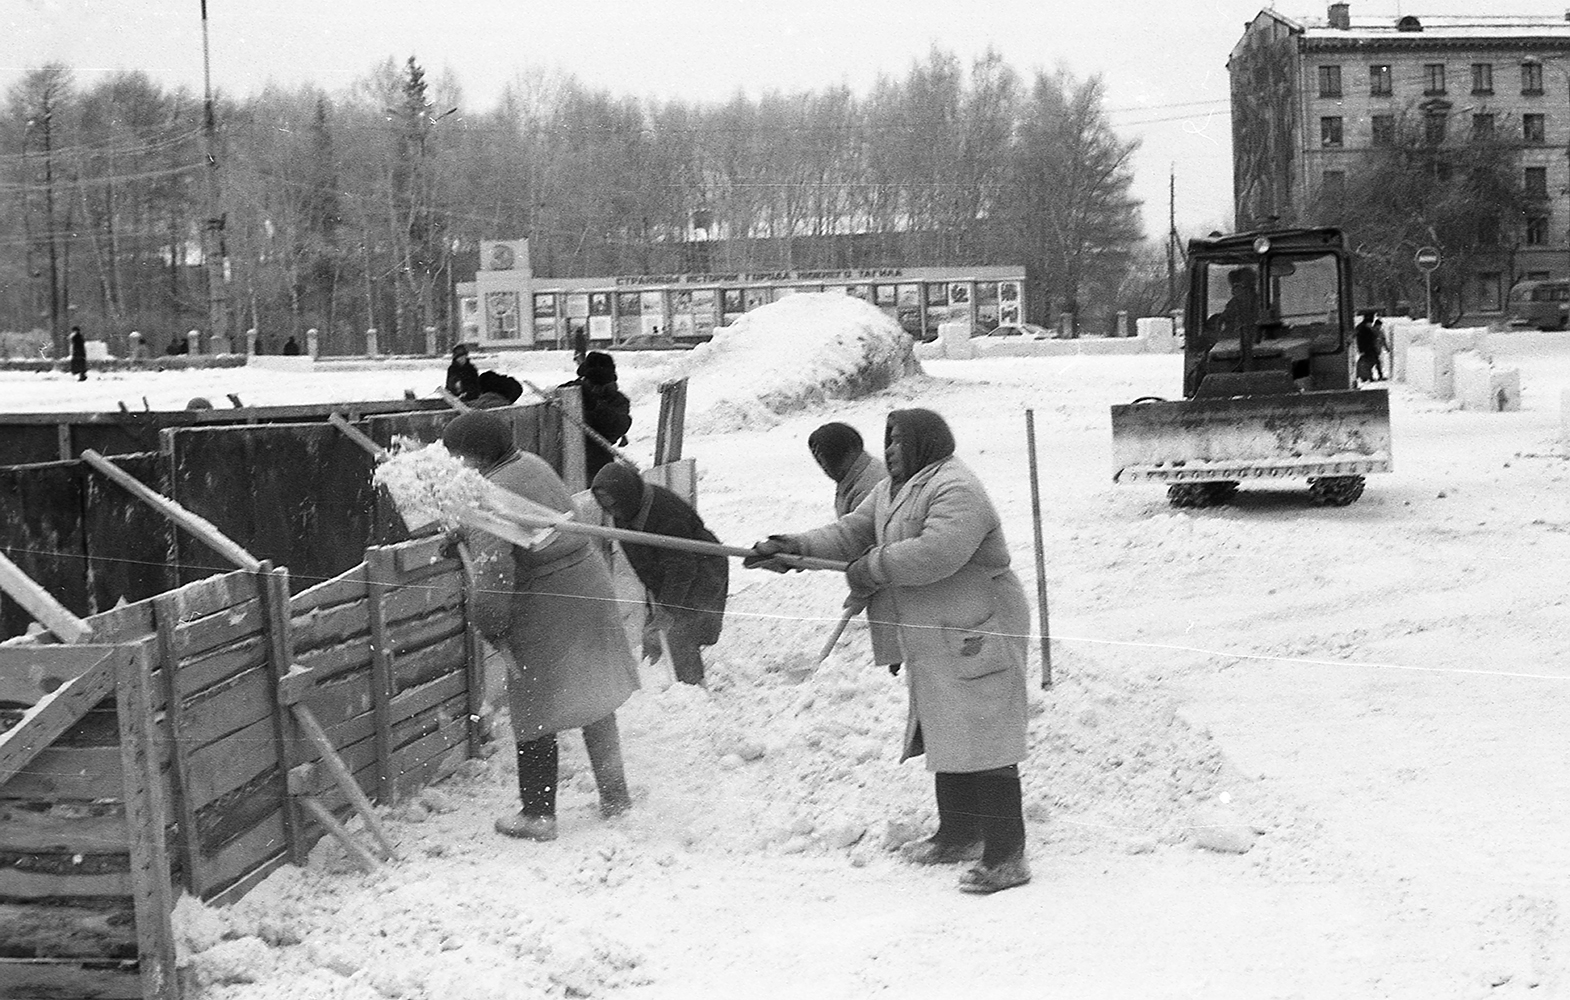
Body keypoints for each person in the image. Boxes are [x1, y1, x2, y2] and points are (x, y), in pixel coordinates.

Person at [746, 408, 1032, 894]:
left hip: (978, 625)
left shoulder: (956, 487)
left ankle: (1008, 856)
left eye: (898, 440)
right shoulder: (896, 488)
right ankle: (959, 833)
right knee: (945, 727)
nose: (891, 449)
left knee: (985, 733)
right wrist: (791, 548)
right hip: (936, 629)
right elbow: (853, 533)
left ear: (926, 441)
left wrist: (871, 569)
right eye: (888, 440)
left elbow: (935, 553)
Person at [442, 411, 639, 841]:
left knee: (535, 706)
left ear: (473, 457)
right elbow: (526, 519)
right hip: (587, 581)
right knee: (597, 693)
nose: (456, 466)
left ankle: (538, 814)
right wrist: (466, 531)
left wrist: (489, 623)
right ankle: (615, 795)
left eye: (457, 457)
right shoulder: (530, 464)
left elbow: (494, 576)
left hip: (549, 600)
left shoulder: (487, 494)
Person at [591, 463, 728, 686]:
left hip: (702, 570)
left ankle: (692, 691)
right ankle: (668, 684)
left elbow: (682, 568)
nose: (612, 512)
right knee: (664, 633)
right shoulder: (627, 510)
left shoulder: (665, 514)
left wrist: (664, 613)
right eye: (606, 506)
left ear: (627, 494)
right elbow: (644, 564)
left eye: (615, 505)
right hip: (672, 574)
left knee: (680, 633)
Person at [560, 351, 632, 483]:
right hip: (566, 462)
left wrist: (595, 405)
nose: (595, 389)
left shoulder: (617, 400)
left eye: (600, 384)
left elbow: (617, 428)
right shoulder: (570, 392)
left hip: (597, 466)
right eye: (591, 382)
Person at [807, 422, 887, 517]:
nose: (824, 467)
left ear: (850, 451)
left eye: (824, 458)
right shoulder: (853, 479)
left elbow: (855, 530)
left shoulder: (868, 488)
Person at [1354, 310, 1388, 383]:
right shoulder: (1364, 329)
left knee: (1371, 362)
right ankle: (1367, 377)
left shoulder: (1362, 328)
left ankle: (1367, 376)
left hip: (1369, 349)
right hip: (1368, 349)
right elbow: (1364, 340)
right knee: (1369, 363)